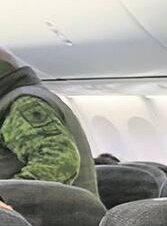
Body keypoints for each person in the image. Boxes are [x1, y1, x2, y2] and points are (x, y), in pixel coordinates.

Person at [0, 46, 97, 193]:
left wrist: (6, 197)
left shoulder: (24, 103)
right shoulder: (18, 99)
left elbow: (58, 160)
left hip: (52, 208)